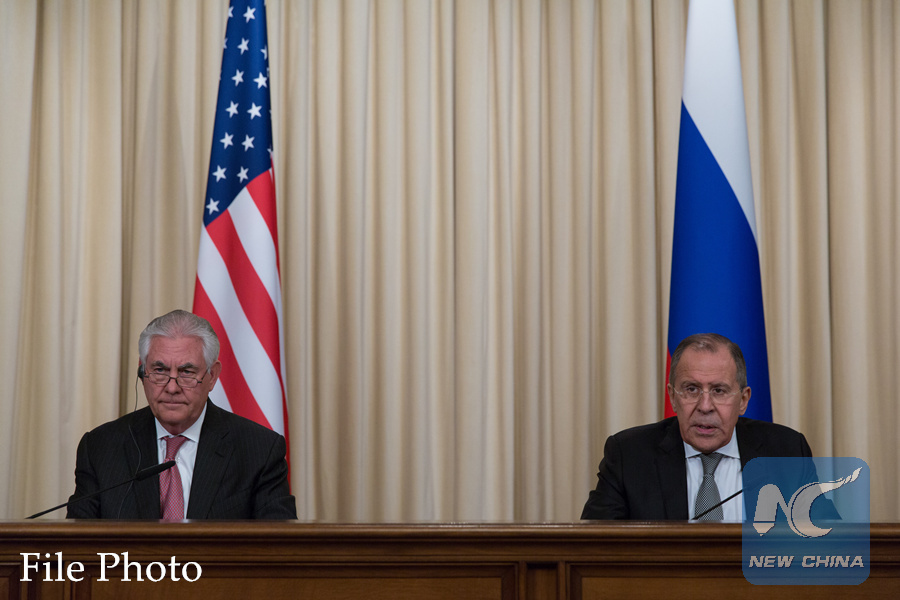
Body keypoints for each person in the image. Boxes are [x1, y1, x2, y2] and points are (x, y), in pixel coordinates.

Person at [581, 333, 838, 521]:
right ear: (672, 397)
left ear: (743, 400)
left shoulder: (785, 451)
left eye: (719, 391)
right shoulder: (629, 455)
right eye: (691, 389)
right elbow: (593, 548)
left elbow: (827, 538)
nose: (705, 406)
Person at [67, 309, 296, 519]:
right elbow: (77, 541)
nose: (172, 387)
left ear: (212, 376)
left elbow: (278, 543)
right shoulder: (100, 448)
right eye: (159, 370)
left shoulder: (259, 450)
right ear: (142, 372)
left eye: (187, 372)